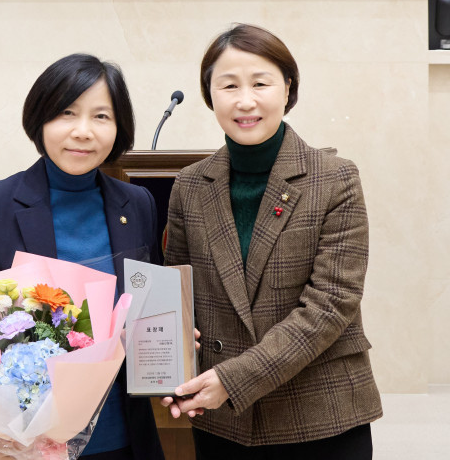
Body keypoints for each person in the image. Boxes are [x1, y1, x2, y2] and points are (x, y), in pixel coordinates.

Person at [161, 24, 382, 459]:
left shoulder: (335, 180)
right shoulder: (189, 185)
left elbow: (332, 303)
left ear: (287, 89)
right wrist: (170, 363)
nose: (245, 100)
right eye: (228, 85)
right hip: (221, 418)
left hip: (320, 411)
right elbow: (177, 296)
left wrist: (235, 379)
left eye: (260, 83)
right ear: (210, 96)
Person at [0, 53, 165, 460]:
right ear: (40, 121)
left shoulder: (139, 204)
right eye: (66, 113)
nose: (82, 131)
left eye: (101, 117)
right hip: (13, 441)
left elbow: (150, 308)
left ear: (119, 127)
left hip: (118, 436)